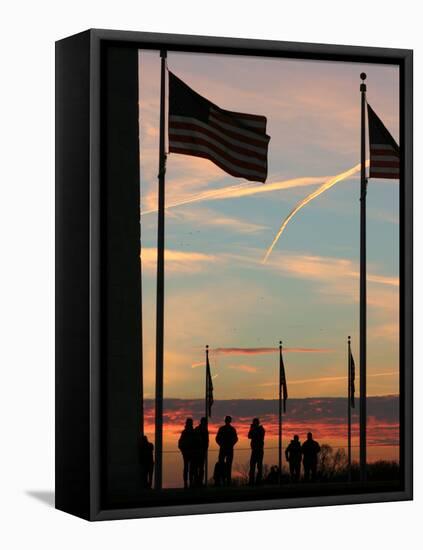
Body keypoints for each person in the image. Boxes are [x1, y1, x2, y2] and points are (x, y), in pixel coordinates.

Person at [216, 416, 238, 485]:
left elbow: (235, 439)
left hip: (228, 449)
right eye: (227, 420)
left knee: (228, 465)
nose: (227, 421)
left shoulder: (231, 429)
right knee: (222, 465)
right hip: (224, 449)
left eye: (228, 420)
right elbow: (217, 438)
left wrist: (231, 444)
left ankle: (227, 480)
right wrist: (221, 444)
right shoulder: (222, 429)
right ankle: (223, 480)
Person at [178, 418, 196, 488]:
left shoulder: (192, 432)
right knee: (187, 468)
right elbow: (180, 444)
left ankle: (190, 483)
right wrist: (183, 451)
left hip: (191, 453)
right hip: (187, 453)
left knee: (190, 468)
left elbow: (197, 443)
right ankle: (187, 483)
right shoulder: (185, 432)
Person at [248, 418, 265, 485]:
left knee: (259, 466)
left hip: (259, 450)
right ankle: (251, 481)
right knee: (252, 466)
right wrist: (251, 429)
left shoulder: (261, 429)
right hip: (254, 450)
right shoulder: (253, 429)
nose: (254, 424)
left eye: (255, 422)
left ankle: (258, 481)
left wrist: (253, 429)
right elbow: (249, 436)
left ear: (257, 423)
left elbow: (259, 436)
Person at [194, 417, 209, 486]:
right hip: (197, 452)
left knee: (201, 467)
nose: (205, 424)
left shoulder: (205, 430)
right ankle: (196, 481)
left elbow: (207, 442)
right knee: (196, 467)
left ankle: (200, 481)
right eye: (205, 422)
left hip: (202, 451)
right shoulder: (197, 430)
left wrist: (205, 448)